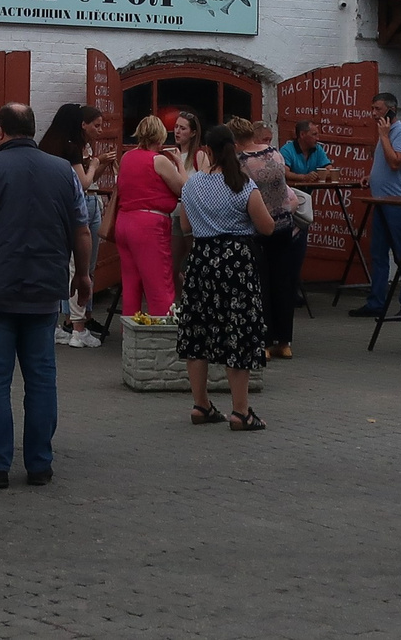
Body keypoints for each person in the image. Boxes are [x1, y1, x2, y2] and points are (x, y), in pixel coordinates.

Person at [0, 104, 92, 490]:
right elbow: (82, 229)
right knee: (42, 377)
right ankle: (40, 463)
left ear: (0, 131)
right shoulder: (63, 170)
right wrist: (86, 274)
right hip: (45, 291)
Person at [174, 122, 273, 430]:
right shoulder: (243, 184)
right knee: (239, 331)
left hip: (201, 260)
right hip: (236, 263)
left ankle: (201, 405)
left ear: (206, 150)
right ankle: (241, 411)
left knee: (197, 331)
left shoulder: (191, 184)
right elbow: (267, 226)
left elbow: (186, 226)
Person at [232, 118, 303, 360]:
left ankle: (263, 341)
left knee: (260, 285)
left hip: (258, 228)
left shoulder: (241, 162)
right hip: (284, 225)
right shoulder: (275, 154)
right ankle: (284, 342)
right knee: (283, 284)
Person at [40, 103, 108, 347]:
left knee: (63, 264)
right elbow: (83, 183)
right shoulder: (71, 148)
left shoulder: (48, 146)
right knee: (79, 266)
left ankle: (58, 323)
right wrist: (94, 164)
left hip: (55, 209)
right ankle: (78, 326)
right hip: (76, 207)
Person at [352, 92, 401, 320]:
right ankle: (376, 301)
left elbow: (395, 163)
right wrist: (371, 177)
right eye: (372, 109)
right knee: (378, 253)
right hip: (380, 200)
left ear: (391, 110)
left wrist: (383, 135)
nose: (373, 114)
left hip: (398, 203)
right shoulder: (385, 134)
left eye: (378, 109)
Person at [113, 114, 186, 318]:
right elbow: (182, 189)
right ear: (160, 136)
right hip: (148, 224)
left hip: (124, 221)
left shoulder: (127, 157)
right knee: (158, 283)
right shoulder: (159, 160)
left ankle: (130, 332)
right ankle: (162, 332)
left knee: (131, 283)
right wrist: (179, 163)